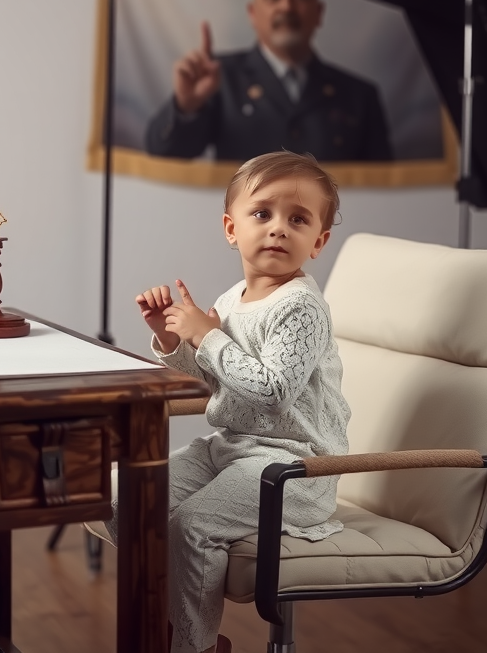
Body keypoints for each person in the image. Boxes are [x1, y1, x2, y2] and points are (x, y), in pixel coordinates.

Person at [131, 151, 350, 653]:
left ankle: (196, 644)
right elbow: (217, 377)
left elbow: (273, 390)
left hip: (293, 467)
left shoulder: (303, 308)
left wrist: (208, 337)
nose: (277, 229)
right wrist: (173, 341)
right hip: (232, 448)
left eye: (297, 219)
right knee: (129, 497)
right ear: (232, 228)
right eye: (262, 214)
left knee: (194, 525)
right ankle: (168, 613)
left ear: (318, 241)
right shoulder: (233, 300)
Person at [144, 0, 392, 162]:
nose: (286, 7)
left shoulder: (359, 95)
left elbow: (383, 192)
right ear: (253, 13)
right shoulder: (219, 78)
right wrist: (186, 106)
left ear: (318, 13)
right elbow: (164, 153)